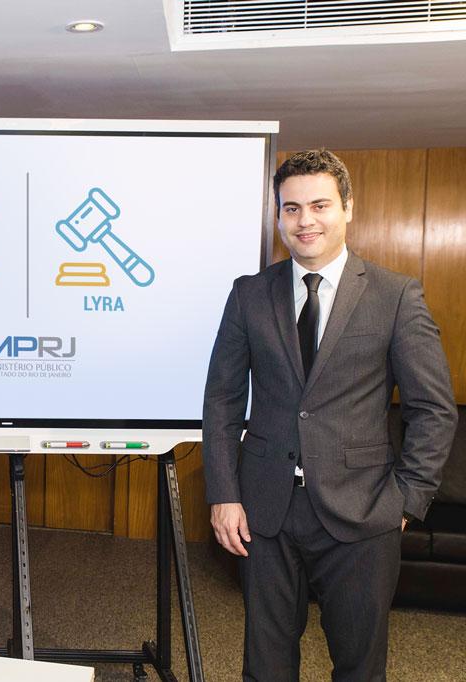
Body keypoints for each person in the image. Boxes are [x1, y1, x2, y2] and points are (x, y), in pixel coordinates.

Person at [202, 149, 458, 681]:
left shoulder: (395, 296)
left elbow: (432, 409)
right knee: (266, 667)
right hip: (264, 511)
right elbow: (222, 401)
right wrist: (224, 494)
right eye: (291, 208)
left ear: (348, 208)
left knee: (359, 667)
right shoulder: (249, 295)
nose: (305, 221)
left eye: (319, 205)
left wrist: (406, 499)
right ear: (278, 216)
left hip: (363, 512)